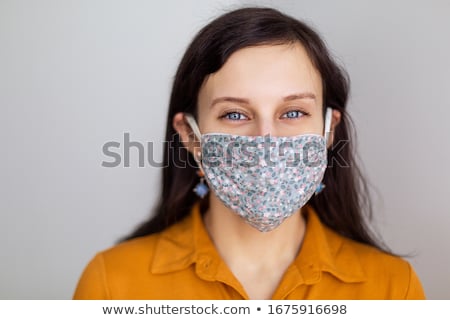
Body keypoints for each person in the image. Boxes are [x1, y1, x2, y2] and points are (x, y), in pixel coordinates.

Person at [73, 7, 425, 300]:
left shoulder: (393, 288)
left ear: (329, 130)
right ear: (191, 137)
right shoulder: (112, 284)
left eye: (292, 112)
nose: (266, 140)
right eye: (235, 114)